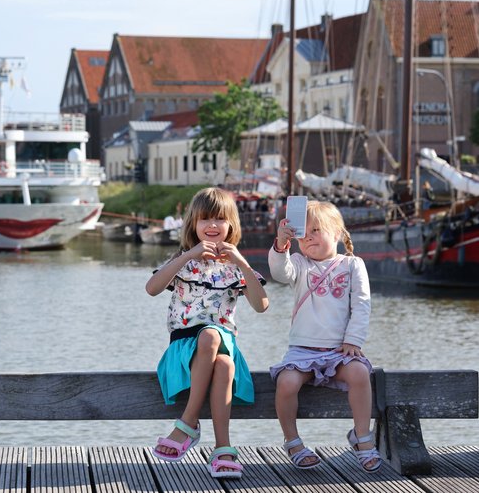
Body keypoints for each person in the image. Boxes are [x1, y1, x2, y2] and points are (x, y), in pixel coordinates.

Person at [146, 187, 269, 479]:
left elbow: (261, 306)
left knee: (218, 345)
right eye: (204, 219)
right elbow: (152, 289)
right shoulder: (183, 259)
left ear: (231, 225)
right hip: (184, 349)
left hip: (222, 342)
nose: (212, 226)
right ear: (193, 224)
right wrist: (188, 255)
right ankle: (218, 444)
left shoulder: (236, 266)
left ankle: (196, 429)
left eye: (219, 219)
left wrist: (242, 263)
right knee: (214, 346)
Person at [268, 201, 381, 473]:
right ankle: (293, 442)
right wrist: (280, 246)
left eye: (316, 230)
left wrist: (353, 340)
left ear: (338, 234)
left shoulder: (352, 265)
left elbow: (362, 304)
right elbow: (279, 273)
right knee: (286, 383)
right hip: (302, 350)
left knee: (359, 375)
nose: (308, 237)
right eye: (303, 232)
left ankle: (362, 437)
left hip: (339, 351)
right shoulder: (299, 263)